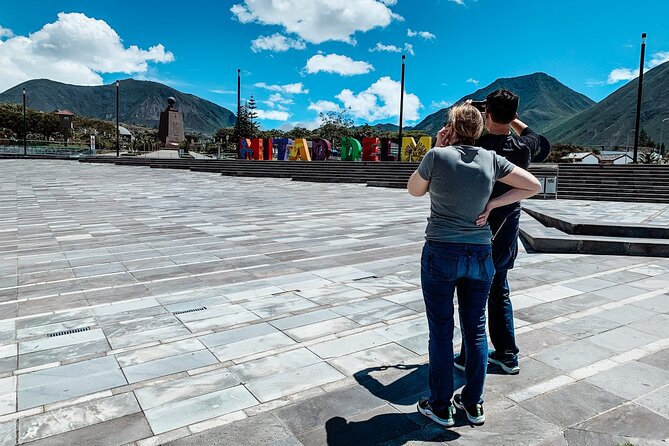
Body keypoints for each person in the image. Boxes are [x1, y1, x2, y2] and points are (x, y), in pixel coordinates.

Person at [408, 104, 541, 427]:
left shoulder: (437, 157)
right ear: (479, 130)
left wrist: (439, 147)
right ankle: (473, 403)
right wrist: (494, 202)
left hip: (441, 251)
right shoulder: (491, 159)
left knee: (441, 332)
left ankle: (440, 406)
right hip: (480, 252)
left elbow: (414, 190)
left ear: (450, 128)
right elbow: (533, 185)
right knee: (476, 330)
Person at [454, 90, 551, 375]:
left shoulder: (477, 146)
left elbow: (451, 138)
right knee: (499, 290)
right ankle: (507, 354)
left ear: (487, 114)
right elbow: (542, 141)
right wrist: (514, 121)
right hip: (507, 231)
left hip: (477, 229)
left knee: (473, 293)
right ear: (513, 115)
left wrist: (472, 110)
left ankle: (469, 355)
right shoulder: (522, 147)